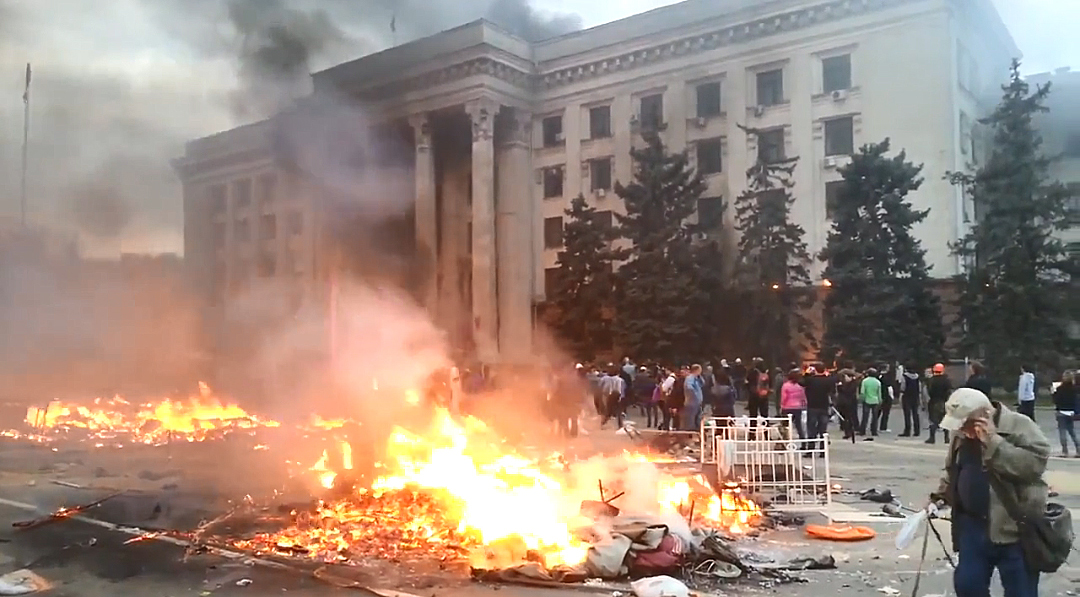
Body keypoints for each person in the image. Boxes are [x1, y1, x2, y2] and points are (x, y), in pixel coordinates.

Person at [930, 388, 1049, 597]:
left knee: (1021, 591)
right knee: (968, 586)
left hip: (1014, 528)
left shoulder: (1020, 425)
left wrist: (993, 441)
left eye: (966, 423)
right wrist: (940, 496)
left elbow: (1033, 467)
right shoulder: (960, 434)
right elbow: (954, 469)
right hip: (972, 527)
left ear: (985, 415)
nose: (962, 429)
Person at [801, 364, 833, 441]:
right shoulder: (828, 380)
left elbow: (801, 382)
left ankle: (811, 447)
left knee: (811, 427)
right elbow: (831, 390)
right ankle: (823, 447)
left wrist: (806, 374)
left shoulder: (810, 380)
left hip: (812, 405)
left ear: (815, 370)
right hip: (824, 406)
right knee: (823, 428)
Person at [925, 363, 953, 444]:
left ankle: (932, 438)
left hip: (934, 401)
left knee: (933, 420)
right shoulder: (947, 380)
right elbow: (949, 391)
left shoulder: (931, 380)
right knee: (945, 419)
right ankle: (946, 438)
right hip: (944, 401)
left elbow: (929, 391)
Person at [1052, 370, 1078, 457]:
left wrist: (1053, 393)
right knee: (1072, 432)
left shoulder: (1060, 389)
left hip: (1062, 411)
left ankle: (1065, 451)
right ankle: (1078, 450)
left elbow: (1056, 401)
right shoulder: (1074, 389)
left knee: (1062, 432)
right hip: (1071, 412)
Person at [780, 369, 807, 440]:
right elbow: (803, 397)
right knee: (798, 425)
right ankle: (803, 440)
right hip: (798, 407)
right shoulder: (799, 386)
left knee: (785, 425)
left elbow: (784, 397)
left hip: (787, 407)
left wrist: (782, 405)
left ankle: (784, 439)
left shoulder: (785, 386)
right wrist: (803, 404)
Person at [836, 368, 860, 442]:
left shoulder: (853, 383)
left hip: (850, 402)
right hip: (843, 402)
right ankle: (846, 429)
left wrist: (840, 387)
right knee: (844, 417)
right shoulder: (842, 382)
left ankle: (852, 429)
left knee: (850, 416)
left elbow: (848, 391)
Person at [899, 365, 923, 438]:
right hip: (915, 397)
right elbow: (919, 387)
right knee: (915, 414)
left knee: (907, 414)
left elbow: (903, 386)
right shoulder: (917, 377)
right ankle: (917, 431)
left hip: (907, 396)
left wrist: (901, 395)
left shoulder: (905, 376)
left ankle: (907, 431)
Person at [858, 368, 882, 438]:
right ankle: (874, 431)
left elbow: (862, 392)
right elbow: (879, 393)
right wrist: (880, 400)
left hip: (867, 400)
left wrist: (861, 399)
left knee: (865, 416)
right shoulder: (878, 382)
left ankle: (862, 431)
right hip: (875, 400)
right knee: (875, 417)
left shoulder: (865, 381)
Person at [682, 364, 704, 431]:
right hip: (691, 403)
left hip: (697, 403)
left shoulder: (696, 379)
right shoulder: (690, 378)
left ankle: (697, 432)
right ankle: (690, 434)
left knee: (698, 420)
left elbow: (703, 384)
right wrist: (696, 395)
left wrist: (700, 377)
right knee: (691, 421)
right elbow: (689, 387)